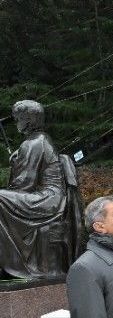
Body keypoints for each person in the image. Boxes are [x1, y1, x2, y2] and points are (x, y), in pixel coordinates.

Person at [0, 99, 86, 280]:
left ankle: (14, 262)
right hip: (51, 198)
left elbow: (23, 185)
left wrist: (17, 164)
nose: (17, 123)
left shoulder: (33, 143)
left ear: (28, 120)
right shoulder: (41, 140)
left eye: (18, 119)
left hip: (48, 200)